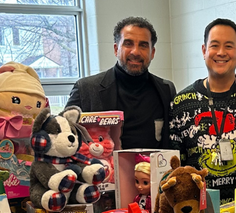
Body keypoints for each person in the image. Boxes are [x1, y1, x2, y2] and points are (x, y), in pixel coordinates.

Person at [169, 18, 236, 204]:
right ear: (204, 50)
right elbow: (176, 168)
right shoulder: (181, 103)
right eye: (214, 45)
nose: (221, 52)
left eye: (228, 46)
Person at [67, 17, 176, 150]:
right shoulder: (86, 90)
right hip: (103, 169)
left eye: (143, 45)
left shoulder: (166, 90)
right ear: (115, 49)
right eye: (128, 44)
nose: (135, 52)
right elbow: (63, 136)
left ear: (152, 52)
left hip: (154, 169)